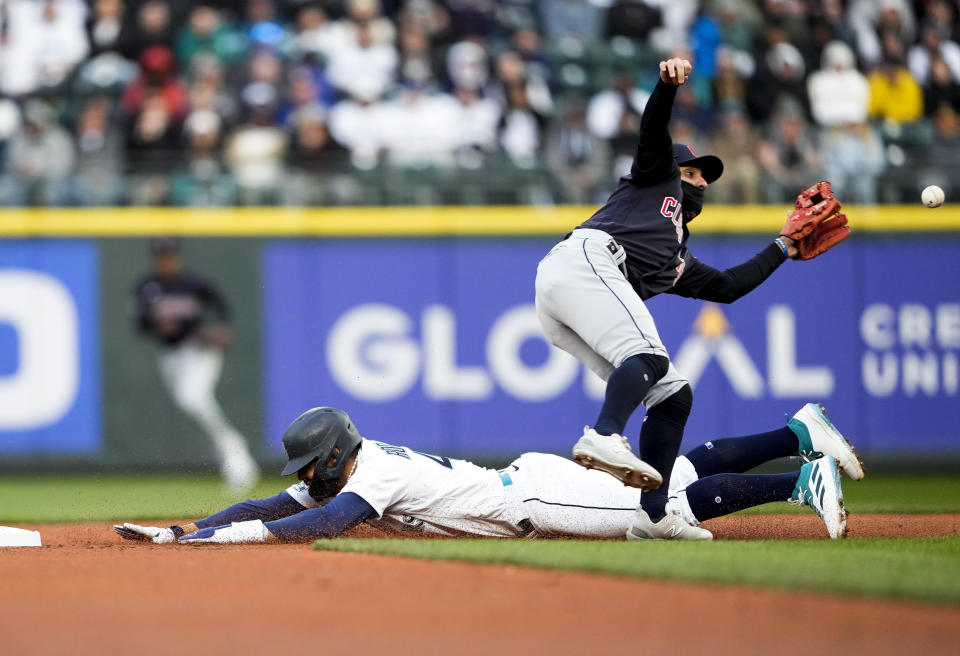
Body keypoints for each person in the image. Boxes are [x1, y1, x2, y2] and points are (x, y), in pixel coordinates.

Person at [533, 57, 848, 541]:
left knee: (673, 394)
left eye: (706, 178)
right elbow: (653, 127)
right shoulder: (656, 176)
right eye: (695, 173)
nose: (701, 182)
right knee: (648, 357)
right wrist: (664, 87)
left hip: (567, 296)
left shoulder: (675, 256)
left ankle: (653, 517)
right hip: (586, 259)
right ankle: (601, 435)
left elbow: (727, 287)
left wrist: (782, 247)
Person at [114, 403, 864, 545]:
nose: (308, 476)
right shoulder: (347, 469)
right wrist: (193, 530)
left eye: (314, 464)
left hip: (538, 495)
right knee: (675, 469)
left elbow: (318, 526)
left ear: (338, 452)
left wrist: (226, 545)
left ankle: (799, 476)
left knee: (658, 509)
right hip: (522, 481)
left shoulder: (368, 475)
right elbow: (270, 501)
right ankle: (795, 431)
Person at [132, 237, 260, 493]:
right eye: (161, 258)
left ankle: (237, 458)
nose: (166, 262)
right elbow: (140, 321)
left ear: (177, 258)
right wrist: (157, 325)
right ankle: (232, 456)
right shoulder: (147, 287)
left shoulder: (193, 283)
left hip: (201, 350)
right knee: (191, 404)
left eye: (170, 257)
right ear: (155, 260)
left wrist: (222, 329)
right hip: (171, 355)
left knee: (192, 399)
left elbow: (221, 305)